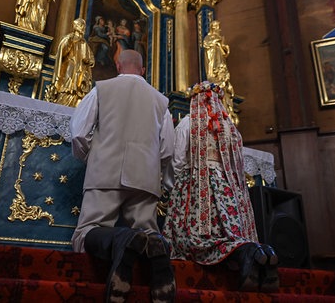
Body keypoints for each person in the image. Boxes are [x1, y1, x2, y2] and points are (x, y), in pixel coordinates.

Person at [70, 50, 177, 302]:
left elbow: (78, 132)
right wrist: (152, 170)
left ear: (118, 65)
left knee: (87, 232)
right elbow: (167, 149)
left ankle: (123, 239)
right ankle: (158, 262)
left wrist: (92, 158)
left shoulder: (101, 89)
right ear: (142, 70)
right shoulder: (160, 101)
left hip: (105, 172)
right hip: (145, 178)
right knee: (147, 233)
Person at [162, 81, 279, 292]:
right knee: (228, 232)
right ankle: (258, 251)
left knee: (193, 239)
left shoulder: (188, 123)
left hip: (195, 184)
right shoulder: (229, 128)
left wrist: (174, 188)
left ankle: (245, 252)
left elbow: (178, 160)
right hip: (225, 188)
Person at [47, 18, 95, 107]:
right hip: (70, 69)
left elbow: (90, 56)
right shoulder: (69, 38)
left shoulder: (84, 43)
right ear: (75, 26)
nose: (83, 28)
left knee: (78, 92)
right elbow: (62, 51)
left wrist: (90, 61)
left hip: (81, 71)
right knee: (67, 89)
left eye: (84, 26)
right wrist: (70, 42)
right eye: (81, 25)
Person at [203, 20, 239, 125]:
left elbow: (225, 51)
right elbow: (206, 44)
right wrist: (216, 42)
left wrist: (222, 46)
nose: (218, 29)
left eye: (218, 27)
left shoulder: (220, 38)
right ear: (212, 28)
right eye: (216, 27)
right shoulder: (208, 38)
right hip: (212, 60)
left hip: (220, 63)